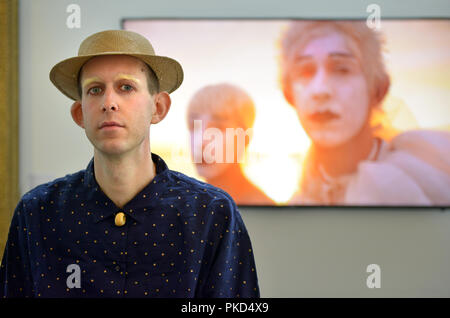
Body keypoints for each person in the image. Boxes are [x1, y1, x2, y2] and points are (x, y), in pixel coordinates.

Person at [0, 30, 259, 297]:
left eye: (126, 87)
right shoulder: (38, 213)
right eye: (95, 90)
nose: (109, 103)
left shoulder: (211, 213)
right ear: (80, 113)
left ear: (158, 107)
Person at [279, 20, 450, 205]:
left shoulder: (416, 179)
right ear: (289, 95)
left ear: (378, 89)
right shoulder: (300, 202)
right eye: (305, 71)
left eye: (342, 69)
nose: (320, 90)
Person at [186, 83, 274, 205]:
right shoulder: (189, 205)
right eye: (194, 126)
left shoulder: (263, 208)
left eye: (217, 128)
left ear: (245, 139)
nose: (201, 142)